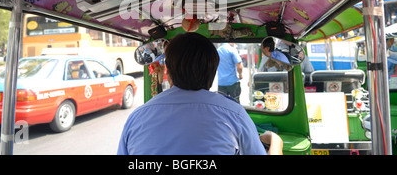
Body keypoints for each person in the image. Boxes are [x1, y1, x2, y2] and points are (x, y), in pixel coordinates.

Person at [117, 32, 283, 155]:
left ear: (169, 73)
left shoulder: (136, 118)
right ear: (212, 74)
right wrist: (276, 141)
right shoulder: (234, 114)